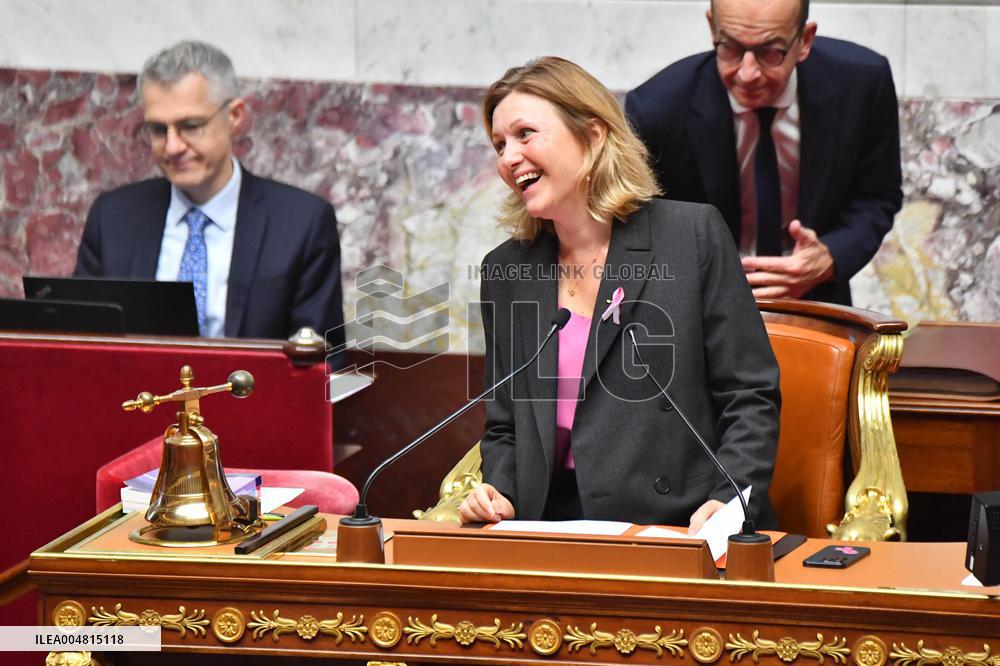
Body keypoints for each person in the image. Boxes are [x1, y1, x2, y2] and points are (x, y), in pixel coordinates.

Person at [459, 57, 780, 531]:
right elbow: (505, 424)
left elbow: (749, 395)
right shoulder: (507, 269)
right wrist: (499, 493)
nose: (508, 157)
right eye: (499, 144)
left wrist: (729, 498)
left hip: (682, 523)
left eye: (525, 134)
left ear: (593, 135)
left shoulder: (691, 235)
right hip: (546, 526)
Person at [625, 0, 902, 305]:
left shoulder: (862, 84)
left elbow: (876, 196)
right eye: (729, 48)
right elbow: (643, 227)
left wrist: (830, 257)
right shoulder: (657, 110)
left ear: (805, 41)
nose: (747, 73)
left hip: (814, 300)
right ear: (712, 27)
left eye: (770, 52)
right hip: (700, 305)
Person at [75, 40, 345, 348]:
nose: (173, 146)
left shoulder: (301, 224)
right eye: (159, 130)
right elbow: (83, 346)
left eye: (190, 126)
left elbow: (323, 364)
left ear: (234, 115)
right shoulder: (114, 218)